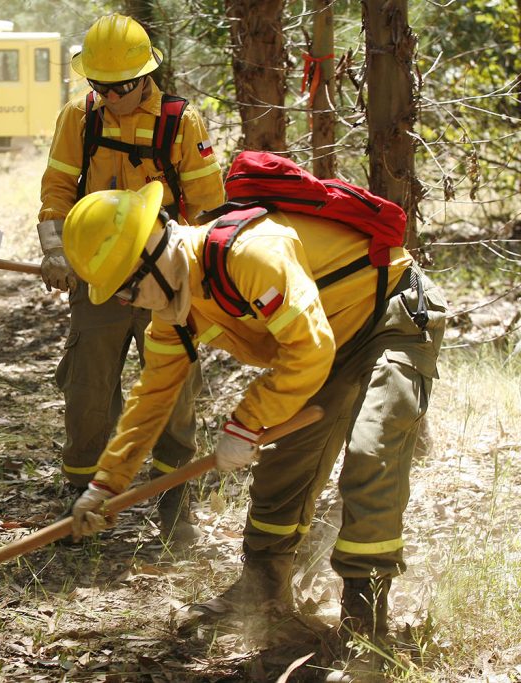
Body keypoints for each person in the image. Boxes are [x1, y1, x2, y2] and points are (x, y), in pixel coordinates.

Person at [64, 181, 446, 671]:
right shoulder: (176, 309)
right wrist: (104, 486)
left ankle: (365, 621)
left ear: (154, 251)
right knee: (285, 465)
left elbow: (309, 350)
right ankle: (263, 589)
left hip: (388, 317)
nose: (128, 303)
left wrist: (245, 423)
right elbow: (150, 401)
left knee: (371, 453)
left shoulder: (251, 254)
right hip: (324, 341)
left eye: (127, 288)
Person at [37, 14, 224, 548]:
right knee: (88, 386)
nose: (112, 95)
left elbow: (210, 207)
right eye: (100, 84)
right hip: (100, 276)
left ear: (145, 76)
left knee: (173, 389)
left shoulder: (181, 123)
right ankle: (83, 496)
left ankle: (173, 503)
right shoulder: (79, 117)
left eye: (122, 85)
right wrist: (55, 248)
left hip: (168, 279)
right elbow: (56, 186)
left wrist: (195, 274)